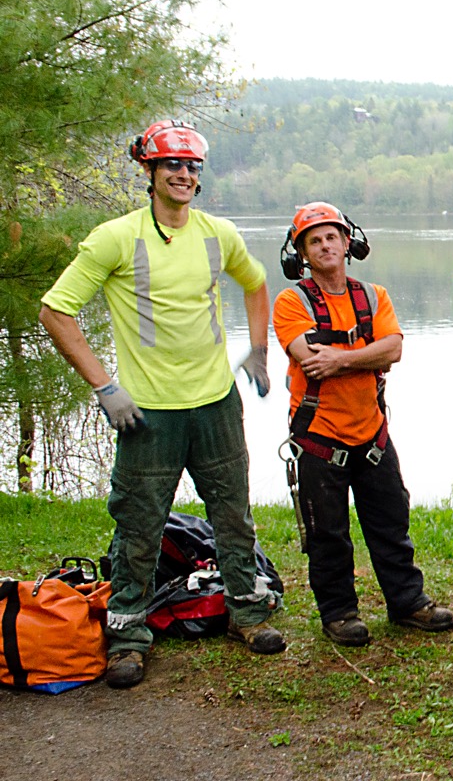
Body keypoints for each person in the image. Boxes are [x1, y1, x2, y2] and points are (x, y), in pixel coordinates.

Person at [39, 120, 284, 689]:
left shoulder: (217, 234)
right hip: (148, 411)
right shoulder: (114, 237)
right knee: (138, 523)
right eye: (172, 165)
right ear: (149, 172)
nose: (183, 175)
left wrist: (257, 350)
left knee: (232, 513)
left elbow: (255, 283)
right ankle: (127, 635)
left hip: (215, 403)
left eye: (193, 167)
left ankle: (247, 612)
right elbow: (56, 311)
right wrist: (104, 386)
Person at [273, 202, 453, 647]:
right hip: (319, 440)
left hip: (372, 435)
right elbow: (310, 360)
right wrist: (361, 355)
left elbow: (393, 350)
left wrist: (342, 358)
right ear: (301, 253)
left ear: (347, 242)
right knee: (327, 534)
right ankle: (338, 613)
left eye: (331, 236)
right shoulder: (290, 302)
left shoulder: (374, 296)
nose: (325, 245)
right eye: (313, 241)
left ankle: (408, 602)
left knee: (391, 522)